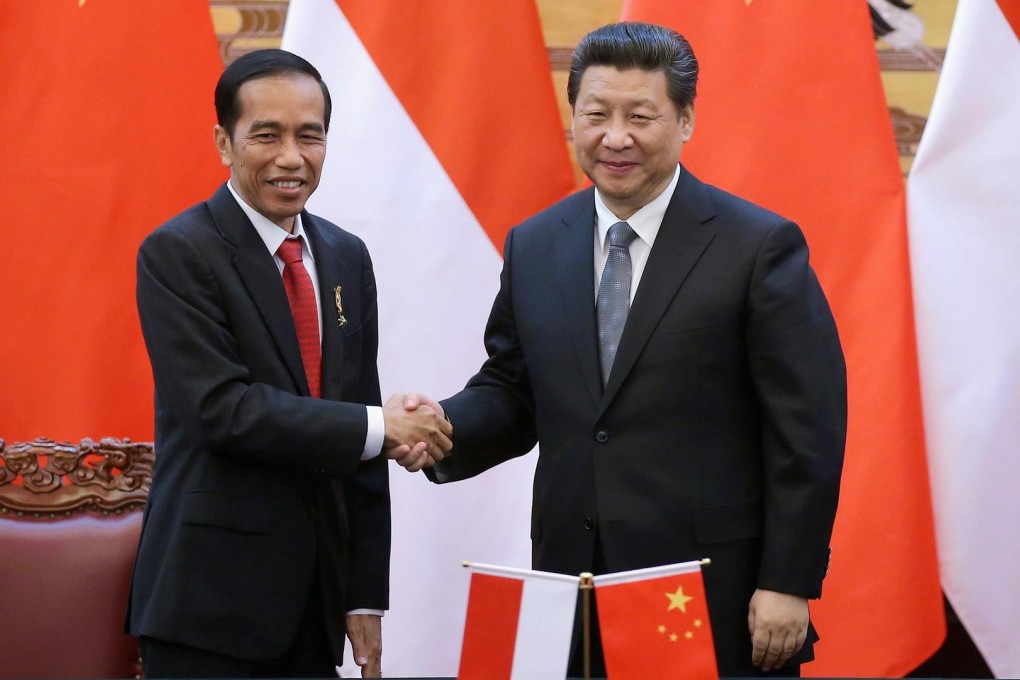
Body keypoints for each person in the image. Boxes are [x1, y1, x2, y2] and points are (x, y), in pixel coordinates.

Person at [409, 22, 846, 677]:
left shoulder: (757, 247)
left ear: (686, 118)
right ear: (573, 118)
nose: (616, 137)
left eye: (640, 115)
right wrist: (441, 429)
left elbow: (806, 429)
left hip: (704, 590)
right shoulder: (536, 243)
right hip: (568, 587)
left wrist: (788, 580)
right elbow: (513, 388)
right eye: (596, 114)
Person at [127, 49, 451, 678]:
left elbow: (358, 420)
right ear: (225, 142)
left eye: (310, 135)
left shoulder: (345, 256)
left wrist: (363, 592)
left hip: (316, 607)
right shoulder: (178, 252)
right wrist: (385, 427)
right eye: (266, 135)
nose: (291, 156)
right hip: (208, 609)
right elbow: (223, 411)